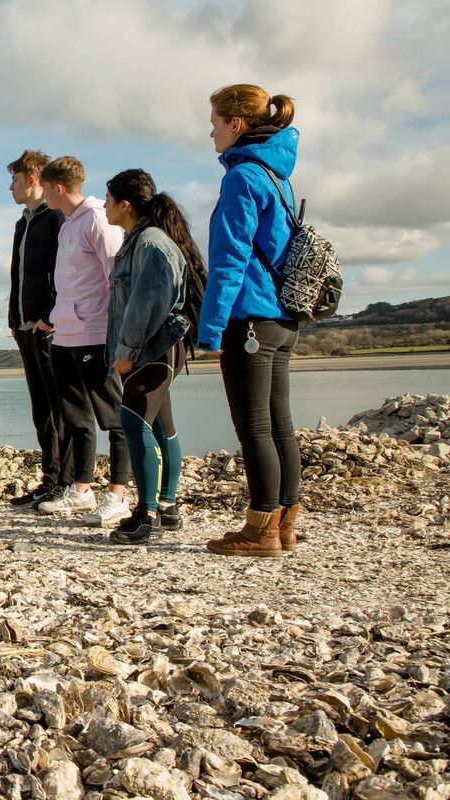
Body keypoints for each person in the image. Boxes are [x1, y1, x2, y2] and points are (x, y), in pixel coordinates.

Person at [199, 84, 301, 558]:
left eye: (215, 122)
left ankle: (260, 529)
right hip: (282, 317)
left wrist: (211, 328)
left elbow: (229, 260)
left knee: (255, 427)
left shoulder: (242, 177)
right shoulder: (278, 175)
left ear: (236, 124)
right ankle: (285, 525)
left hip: (251, 318)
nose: (211, 132)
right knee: (279, 425)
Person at [102, 169, 207, 544]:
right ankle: (167, 507)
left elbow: (146, 303)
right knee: (162, 424)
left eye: (109, 199)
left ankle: (145, 515)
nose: (104, 205)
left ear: (126, 204)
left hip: (155, 347)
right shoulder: (139, 240)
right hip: (156, 346)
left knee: (133, 421)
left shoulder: (150, 243)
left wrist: (127, 352)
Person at [34, 156, 131, 527]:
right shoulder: (67, 225)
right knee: (75, 417)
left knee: (113, 416)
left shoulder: (97, 219)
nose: (42, 193)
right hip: (66, 336)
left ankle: (119, 494)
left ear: (58, 188)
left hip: (95, 334)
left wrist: (115, 332)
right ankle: (81, 489)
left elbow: (116, 278)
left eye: (45, 187)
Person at [5, 149, 74, 507]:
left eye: (14, 180)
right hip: (26, 326)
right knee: (41, 409)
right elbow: (19, 274)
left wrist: (51, 314)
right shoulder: (23, 222)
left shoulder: (56, 218)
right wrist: (14, 315)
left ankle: (69, 482)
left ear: (32, 180)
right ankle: (50, 480)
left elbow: (65, 272)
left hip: (51, 327)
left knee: (59, 407)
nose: (10, 187)